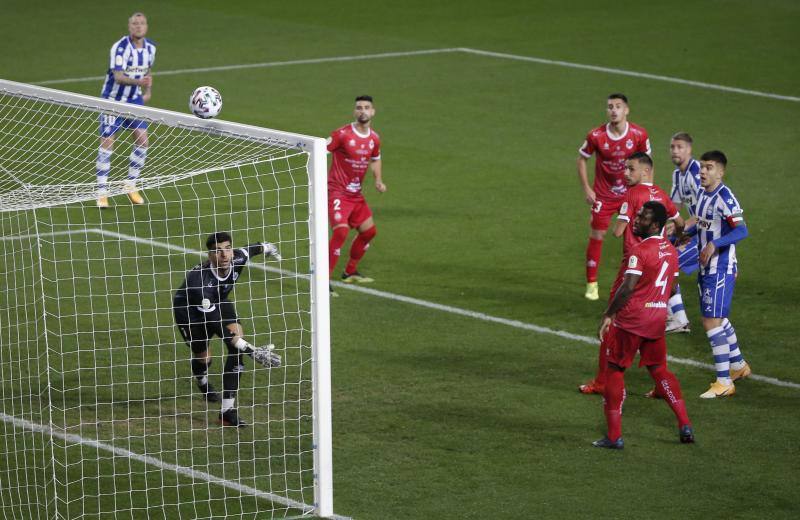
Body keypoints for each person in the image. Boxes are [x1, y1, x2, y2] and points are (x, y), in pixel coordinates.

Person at [579, 152, 683, 395]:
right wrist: (676, 240)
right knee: (655, 321)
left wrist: (610, 211)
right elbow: (679, 223)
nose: (625, 173)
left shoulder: (632, 195)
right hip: (658, 266)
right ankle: (661, 385)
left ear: (645, 171)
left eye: (630, 169)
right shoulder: (661, 195)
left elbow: (618, 231)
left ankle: (603, 381)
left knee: (611, 319)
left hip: (634, 266)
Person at [592, 201, 694, 449]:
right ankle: (685, 425)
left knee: (614, 370)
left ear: (656, 225)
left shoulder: (639, 251)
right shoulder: (670, 250)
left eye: (643, 218)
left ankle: (614, 437)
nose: (636, 221)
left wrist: (608, 314)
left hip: (632, 320)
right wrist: (656, 303)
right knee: (659, 370)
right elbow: (672, 287)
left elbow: (627, 288)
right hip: (657, 320)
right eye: (637, 216)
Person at [173, 232, 282, 427]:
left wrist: (268, 247)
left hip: (219, 301)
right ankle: (203, 383)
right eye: (217, 251)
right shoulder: (198, 281)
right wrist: (253, 351)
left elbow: (254, 248)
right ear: (210, 256)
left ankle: (227, 411)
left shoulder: (238, 257)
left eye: (227, 249)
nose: (224, 255)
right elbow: (220, 329)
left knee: (235, 346)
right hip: (190, 311)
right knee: (203, 357)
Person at [680, 151, 751, 398]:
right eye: (701, 167)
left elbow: (741, 230)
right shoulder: (702, 193)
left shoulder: (725, 197)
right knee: (718, 319)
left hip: (719, 267)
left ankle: (724, 382)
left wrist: (714, 244)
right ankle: (739, 366)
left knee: (710, 321)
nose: (702, 172)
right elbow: (699, 219)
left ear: (720, 171)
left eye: (709, 168)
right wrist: (681, 230)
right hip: (704, 265)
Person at [577, 93, 651, 300]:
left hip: (630, 194)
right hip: (603, 195)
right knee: (597, 235)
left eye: (618, 106)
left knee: (635, 236)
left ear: (626, 110)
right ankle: (592, 283)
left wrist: (646, 189)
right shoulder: (596, 136)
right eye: (610, 106)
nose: (613, 110)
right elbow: (581, 159)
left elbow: (647, 164)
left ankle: (635, 280)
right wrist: (586, 189)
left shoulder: (638, 134)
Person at [96, 12, 156, 208]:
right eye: (134, 23)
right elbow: (119, 76)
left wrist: (146, 92)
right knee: (107, 143)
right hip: (113, 101)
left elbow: (147, 71)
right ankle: (102, 192)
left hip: (134, 100)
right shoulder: (120, 48)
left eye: (141, 23)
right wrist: (140, 82)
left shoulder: (151, 48)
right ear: (129, 27)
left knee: (143, 141)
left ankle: (130, 185)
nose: (138, 26)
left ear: (146, 26)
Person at [327, 95, 385, 296]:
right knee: (341, 232)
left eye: (366, 107)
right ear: (354, 112)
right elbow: (320, 150)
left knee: (369, 232)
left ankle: (350, 272)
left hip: (355, 195)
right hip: (337, 193)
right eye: (359, 107)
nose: (363, 111)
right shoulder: (342, 134)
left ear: (373, 112)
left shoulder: (374, 138)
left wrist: (378, 179)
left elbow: (376, 159)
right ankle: (323, 281)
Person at [665, 132, 702, 333]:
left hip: (708, 234)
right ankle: (674, 317)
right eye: (672, 147)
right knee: (658, 252)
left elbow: (707, 210)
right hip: (694, 229)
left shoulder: (696, 173)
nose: (675, 151)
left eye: (680, 147)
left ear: (689, 150)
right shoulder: (678, 175)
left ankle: (677, 318)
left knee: (667, 262)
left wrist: (684, 226)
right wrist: (667, 225)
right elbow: (674, 207)